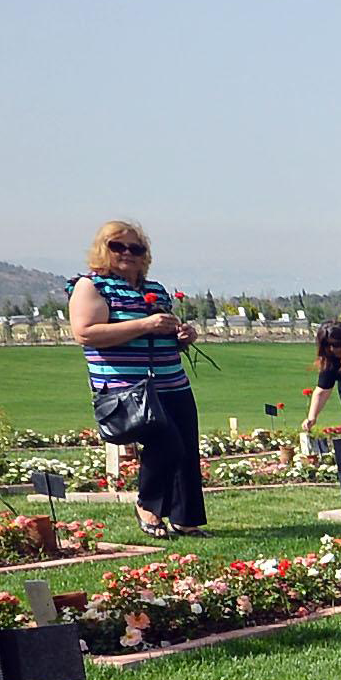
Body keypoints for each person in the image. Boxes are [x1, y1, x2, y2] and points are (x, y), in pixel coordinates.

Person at [66, 220, 208, 538]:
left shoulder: (155, 290)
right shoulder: (90, 286)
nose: (127, 253)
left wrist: (184, 335)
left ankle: (186, 519)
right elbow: (85, 333)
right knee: (167, 444)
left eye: (136, 248)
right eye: (118, 246)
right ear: (103, 249)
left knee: (185, 448)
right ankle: (148, 505)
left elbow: (163, 333)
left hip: (172, 381)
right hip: (127, 388)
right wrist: (146, 325)